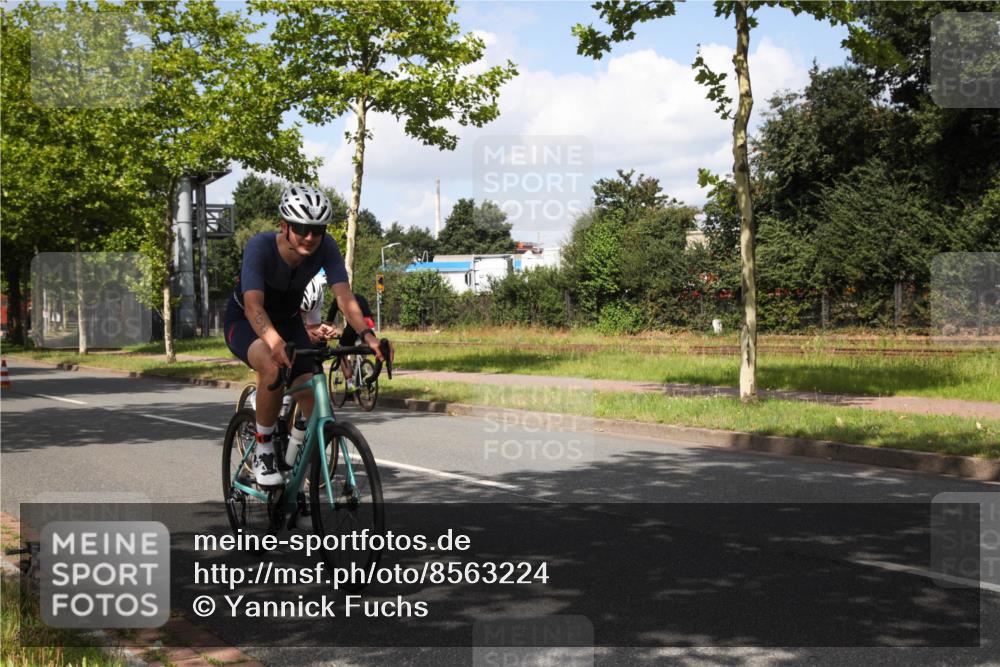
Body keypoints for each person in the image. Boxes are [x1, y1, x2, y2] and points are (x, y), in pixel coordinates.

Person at [224, 184, 387, 487]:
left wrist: (368, 335)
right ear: (284, 226)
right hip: (246, 321)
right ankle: (263, 450)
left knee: (311, 397)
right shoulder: (260, 247)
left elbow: (344, 297)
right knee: (272, 366)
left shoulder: (326, 247)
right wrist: (274, 343)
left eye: (317, 229)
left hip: (288, 323)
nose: (310, 237)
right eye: (301, 228)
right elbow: (252, 305)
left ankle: (297, 484)